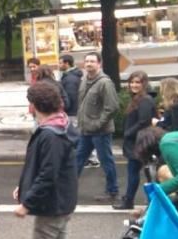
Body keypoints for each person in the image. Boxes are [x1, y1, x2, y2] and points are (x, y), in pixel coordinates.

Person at [13, 82, 79, 239]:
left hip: (54, 203)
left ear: (34, 106)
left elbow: (48, 174)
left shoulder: (51, 135)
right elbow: (41, 167)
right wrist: (24, 186)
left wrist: (27, 203)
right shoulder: (59, 125)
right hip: (63, 199)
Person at [75, 52, 120, 203]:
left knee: (106, 160)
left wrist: (98, 124)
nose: (88, 64)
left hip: (100, 131)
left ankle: (112, 191)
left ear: (99, 64)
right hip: (85, 130)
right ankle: (67, 188)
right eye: (86, 61)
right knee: (77, 159)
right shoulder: (84, 80)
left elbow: (112, 107)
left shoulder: (105, 83)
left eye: (92, 61)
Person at [113, 71, 156, 211]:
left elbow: (144, 121)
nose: (134, 85)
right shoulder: (137, 99)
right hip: (135, 141)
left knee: (140, 172)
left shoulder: (145, 100)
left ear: (144, 84)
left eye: (138, 82)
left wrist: (128, 133)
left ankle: (131, 200)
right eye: (132, 82)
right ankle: (134, 199)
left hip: (139, 142)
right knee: (139, 172)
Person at [58, 54, 82, 120]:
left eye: (60, 63)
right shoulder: (68, 76)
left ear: (67, 63)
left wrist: (65, 109)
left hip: (71, 114)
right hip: (72, 112)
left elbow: (70, 97)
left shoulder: (70, 79)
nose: (58, 65)